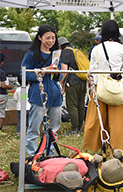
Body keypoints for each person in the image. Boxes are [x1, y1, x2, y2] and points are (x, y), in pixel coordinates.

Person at [83, 19, 123, 152]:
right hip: (118, 89)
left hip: (99, 87)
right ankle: (117, 154)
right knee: (118, 125)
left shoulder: (96, 49)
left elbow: (92, 71)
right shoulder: (122, 48)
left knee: (95, 122)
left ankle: (91, 152)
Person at [21, 24, 63, 156]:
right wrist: (43, 72)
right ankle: (33, 156)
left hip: (55, 96)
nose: (51, 41)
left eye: (53, 38)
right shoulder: (30, 55)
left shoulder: (56, 55)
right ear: (39, 37)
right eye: (47, 38)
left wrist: (56, 72)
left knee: (53, 129)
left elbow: (59, 76)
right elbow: (24, 75)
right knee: (34, 129)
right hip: (38, 95)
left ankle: (50, 154)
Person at [58, 37, 86, 136]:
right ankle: (79, 129)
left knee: (72, 105)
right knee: (81, 105)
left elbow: (64, 70)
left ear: (60, 46)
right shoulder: (76, 50)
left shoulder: (65, 52)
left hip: (73, 82)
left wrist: (61, 82)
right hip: (83, 80)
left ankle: (74, 130)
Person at [0, 52, 13, 135]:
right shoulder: (2, 73)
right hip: (1, 94)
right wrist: (10, 86)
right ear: (2, 62)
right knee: (1, 112)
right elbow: (2, 85)